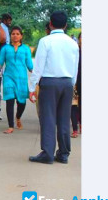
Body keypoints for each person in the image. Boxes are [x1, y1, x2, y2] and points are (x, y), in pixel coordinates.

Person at [28, 11, 79, 164]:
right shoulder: (73, 43)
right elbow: (75, 67)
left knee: (48, 118)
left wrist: (32, 87)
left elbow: (39, 66)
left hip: (49, 83)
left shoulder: (45, 41)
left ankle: (48, 153)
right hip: (67, 83)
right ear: (66, 25)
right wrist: (72, 83)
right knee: (64, 119)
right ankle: (63, 154)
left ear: (50, 24)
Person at [0, 26, 33, 134]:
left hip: (22, 79)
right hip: (8, 77)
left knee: (21, 103)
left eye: (17, 34)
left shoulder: (25, 49)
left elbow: (29, 64)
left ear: (21, 36)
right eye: (13, 34)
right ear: (10, 36)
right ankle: (10, 126)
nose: (15, 36)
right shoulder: (5, 48)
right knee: (10, 100)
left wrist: (37, 75)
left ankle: (18, 117)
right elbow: (0, 62)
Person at [0, 13, 12, 121]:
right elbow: (3, 40)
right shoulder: (0, 29)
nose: (10, 23)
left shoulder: (5, 29)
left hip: (0, 62)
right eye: (9, 20)